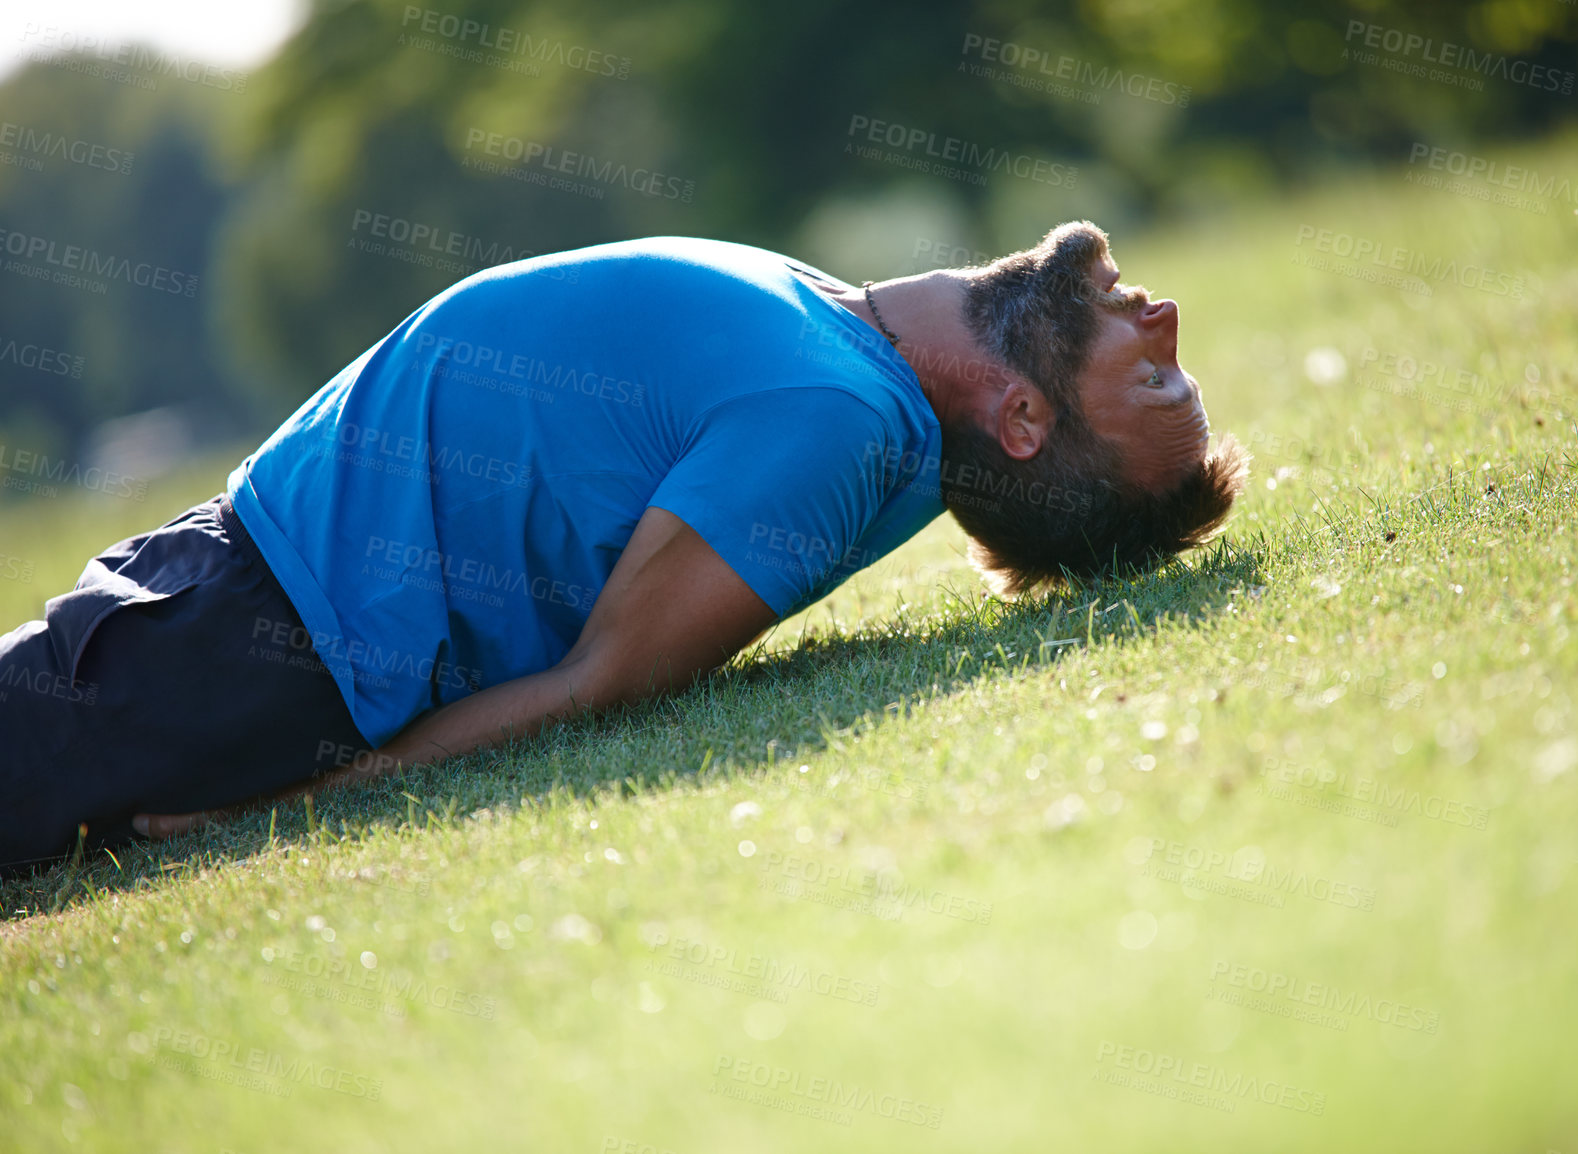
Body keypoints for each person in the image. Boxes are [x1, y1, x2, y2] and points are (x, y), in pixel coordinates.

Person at [0, 219, 1247, 870]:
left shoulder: (839, 419)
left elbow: (602, 681)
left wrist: (289, 810)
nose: (1168, 318)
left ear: (1026, 418)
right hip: (225, 589)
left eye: (1155, 379)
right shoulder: (850, 344)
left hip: (244, 646)